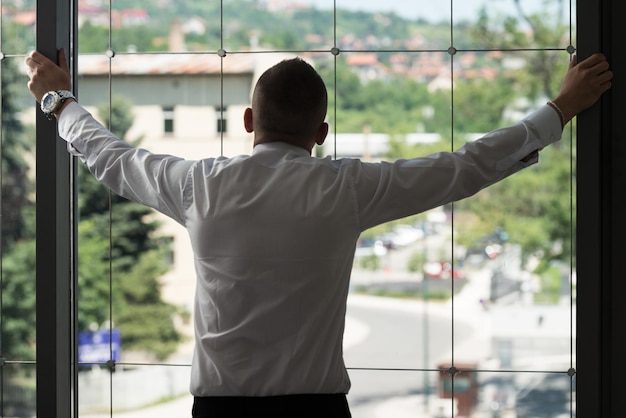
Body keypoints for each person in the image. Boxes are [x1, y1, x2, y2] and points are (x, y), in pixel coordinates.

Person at [25, 48, 612, 418]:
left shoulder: (198, 186)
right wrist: (559, 109)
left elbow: (111, 156)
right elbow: (464, 167)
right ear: (323, 131)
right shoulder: (346, 190)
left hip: (219, 412)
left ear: (250, 121)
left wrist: (58, 99)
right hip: (319, 413)